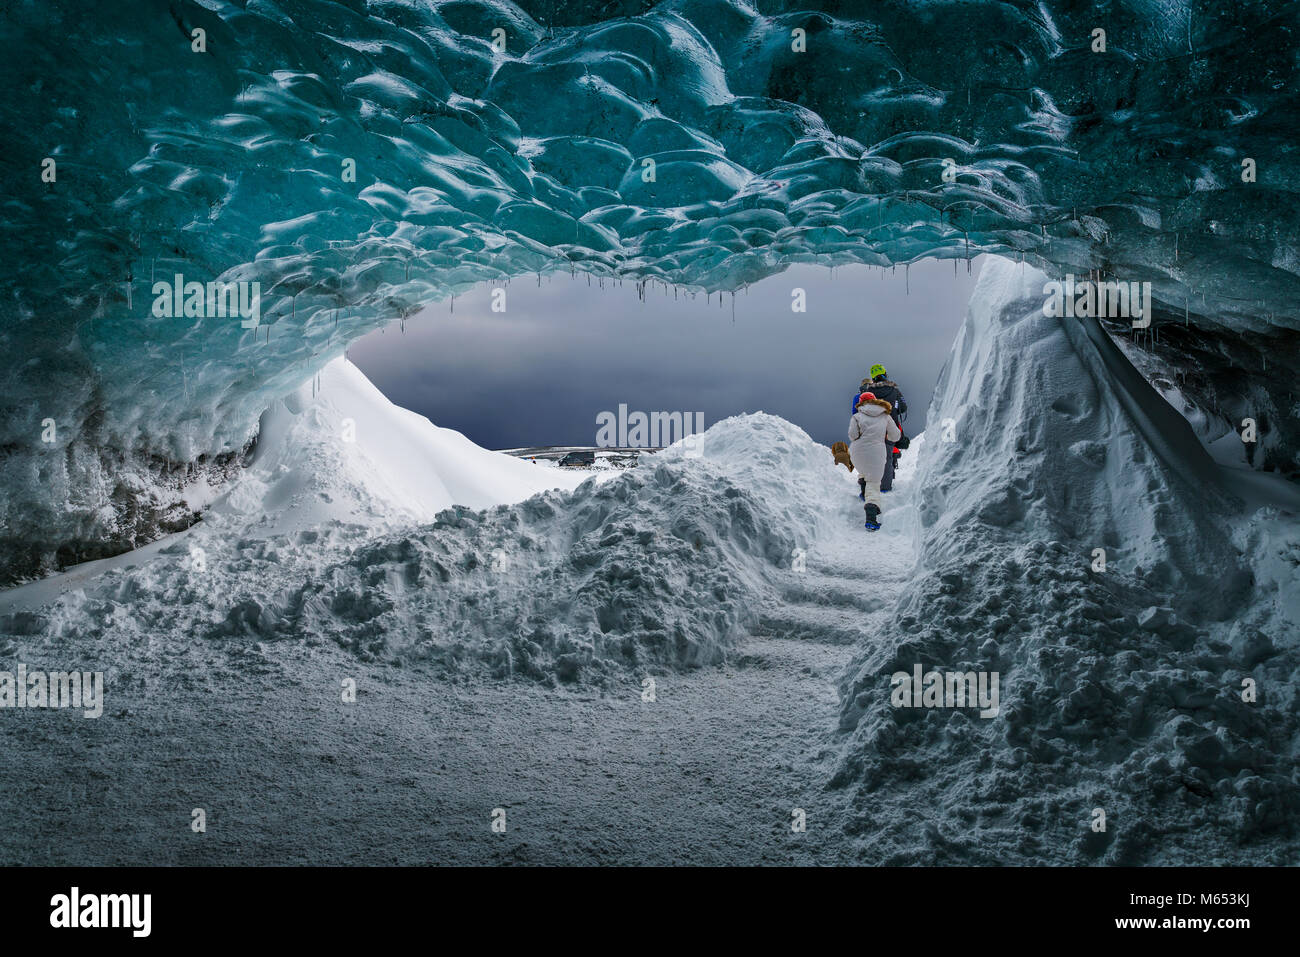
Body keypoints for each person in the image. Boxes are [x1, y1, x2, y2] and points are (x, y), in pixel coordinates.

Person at [848, 391, 901, 530]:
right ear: (875, 400)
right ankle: (871, 519)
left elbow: (852, 435)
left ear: (861, 402)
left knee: (864, 471)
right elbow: (895, 436)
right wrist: (886, 438)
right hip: (877, 451)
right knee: (874, 483)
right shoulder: (885, 415)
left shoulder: (856, 416)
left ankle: (863, 492)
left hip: (857, 451)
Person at [860, 363, 907, 491]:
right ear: (885, 375)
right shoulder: (895, 391)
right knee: (887, 457)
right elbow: (903, 407)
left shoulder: (867, 391)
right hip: (889, 429)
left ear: (873, 377)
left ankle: (869, 487)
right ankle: (885, 488)